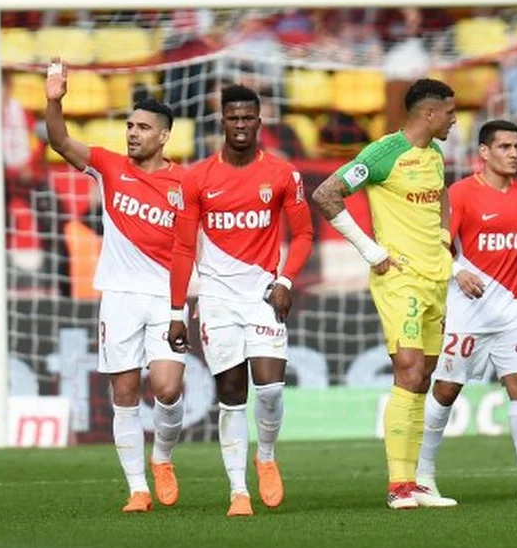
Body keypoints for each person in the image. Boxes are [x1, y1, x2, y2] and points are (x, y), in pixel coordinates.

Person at [44, 62, 188, 514]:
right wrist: (54, 100)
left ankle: (162, 457)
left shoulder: (186, 183)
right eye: (129, 125)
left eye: (143, 127)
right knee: (124, 394)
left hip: (167, 298)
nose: (133, 133)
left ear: (164, 136)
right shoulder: (108, 165)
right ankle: (137, 488)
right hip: (120, 298)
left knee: (166, 389)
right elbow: (60, 141)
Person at [168, 84, 315, 516]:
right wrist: (177, 311)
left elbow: (304, 233)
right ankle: (238, 491)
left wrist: (286, 279)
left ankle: (265, 456)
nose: (239, 125)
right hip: (215, 297)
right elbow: (181, 249)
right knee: (231, 393)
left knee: (269, 388)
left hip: (263, 294)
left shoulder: (283, 175)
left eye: (247, 118)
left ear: (258, 122)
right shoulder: (197, 177)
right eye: (232, 118)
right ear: (221, 121)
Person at [311, 78, 458, 510]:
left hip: (436, 277)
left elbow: (442, 196)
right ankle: (398, 485)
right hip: (400, 278)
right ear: (429, 114)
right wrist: (370, 250)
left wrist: (446, 238)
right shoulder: (382, 153)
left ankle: (414, 483)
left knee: (423, 377)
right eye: (450, 112)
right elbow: (326, 195)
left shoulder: (434, 154)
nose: (454, 120)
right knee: (409, 371)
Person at [414, 120, 517, 502]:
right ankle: (422, 475)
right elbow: (436, 245)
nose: (514, 153)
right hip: (468, 309)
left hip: (512, 310)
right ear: (483, 153)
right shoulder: (462, 193)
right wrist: (458, 271)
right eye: (504, 147)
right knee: (447, 389)